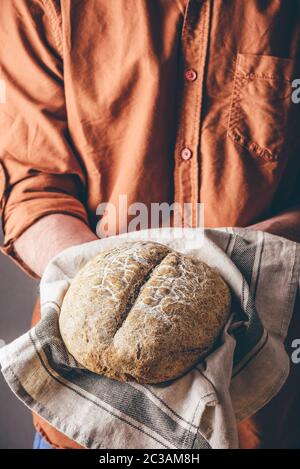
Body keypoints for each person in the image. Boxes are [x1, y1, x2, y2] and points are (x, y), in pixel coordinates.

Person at [0, 0, 299, 449]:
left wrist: (245, 262)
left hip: (261, 413)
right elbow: (33, 185)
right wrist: (101, 290)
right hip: (88, 421)